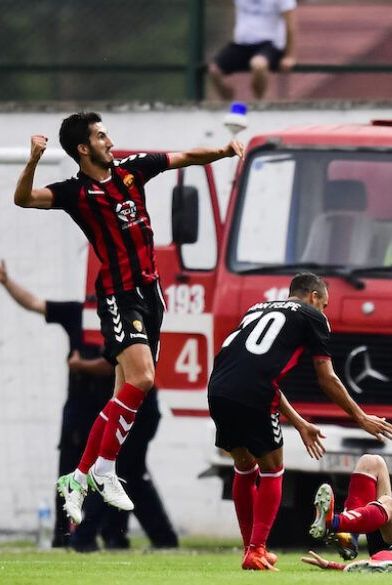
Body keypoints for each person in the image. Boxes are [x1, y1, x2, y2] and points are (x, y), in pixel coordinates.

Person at [14, 112, 244, 527]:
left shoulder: (132, 170)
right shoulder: (75, 192)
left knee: (124, 394)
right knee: (143, 379)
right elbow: (24, 199)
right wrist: (33, 159)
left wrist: (225, 151)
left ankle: (80, 476)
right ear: (83, 148)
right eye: (101, 136)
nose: (109, 140)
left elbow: (188, 156)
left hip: (152, 296)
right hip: (119, 298)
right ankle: (103, 468)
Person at [207, 272, 392, 571]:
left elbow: (256, 373)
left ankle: (251, 549)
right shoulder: (312, 316)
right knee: (273, 471)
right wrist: (360, 417)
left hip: (218, 388)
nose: (324, 311)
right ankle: (256, 549)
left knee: (244, 468)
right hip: (254, 393)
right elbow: (327, 378)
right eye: (325, 304)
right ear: (313, 297)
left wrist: (298, 422)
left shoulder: (257, 308)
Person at [0, 260, 178, 551]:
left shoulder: (129, 316)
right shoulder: (86, 313)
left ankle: (94, 536)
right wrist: (7, 283)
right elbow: (36, 303)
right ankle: (68, 537)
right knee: (92, 471)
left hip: (106, 407)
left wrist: (80, 365)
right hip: (82, 410)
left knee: (114, 469)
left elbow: (118, 364)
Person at [209, 0, 297, 101]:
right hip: (242, 44)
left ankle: (259, 104)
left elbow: (291, 23)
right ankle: (229, 104)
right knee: (214, 69)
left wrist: (289, 55)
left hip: (269, 44)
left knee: (258, 64)